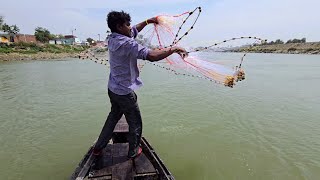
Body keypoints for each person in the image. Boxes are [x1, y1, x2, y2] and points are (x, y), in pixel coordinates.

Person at [93, 10, 187, 159]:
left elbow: (134, 30)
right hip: (124, 92)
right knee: (135, 122)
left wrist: (148, 21)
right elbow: (151, 56)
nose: (130, 27)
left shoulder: (112, 38)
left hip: (113, 88)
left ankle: (98, 147)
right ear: (119, 26)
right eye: (127, 24)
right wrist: (174, 48)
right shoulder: (127, 43)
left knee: (113, 117)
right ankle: (133, 151)